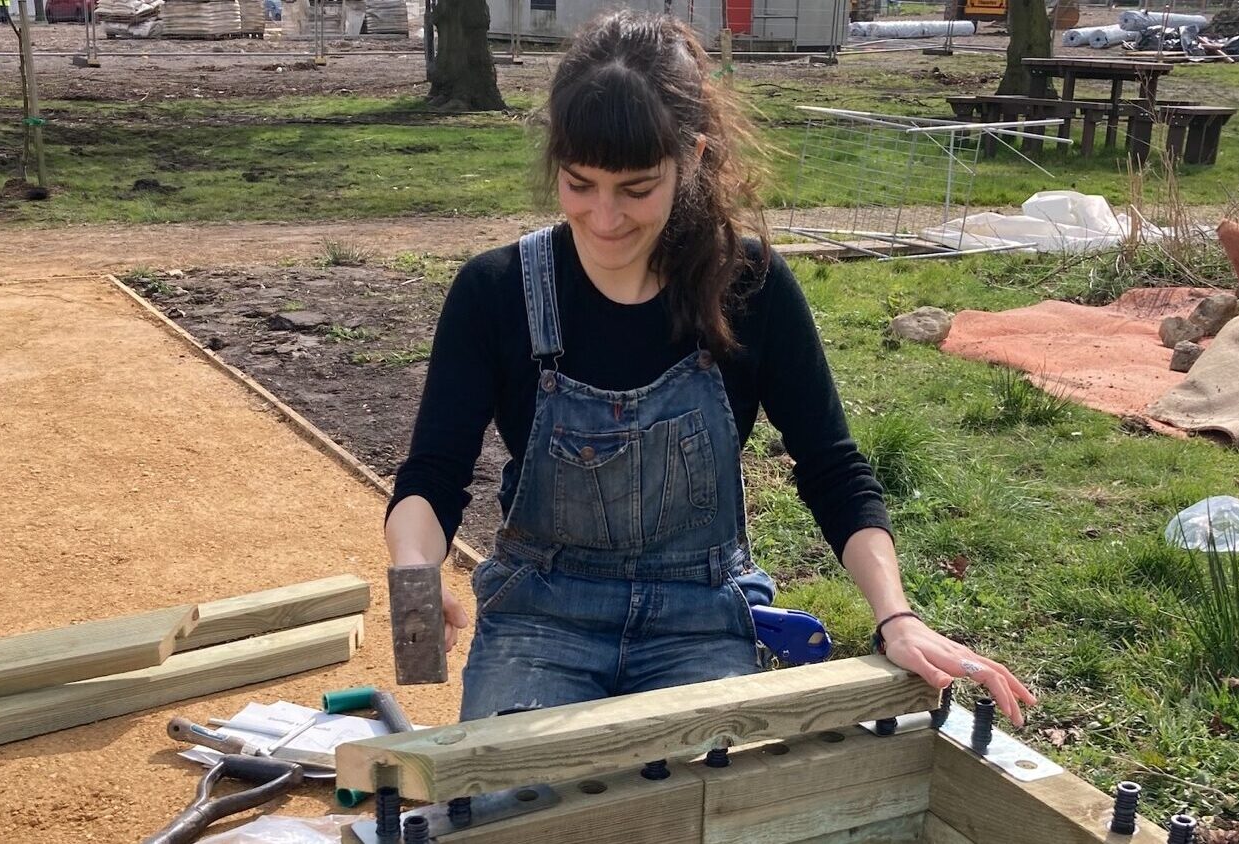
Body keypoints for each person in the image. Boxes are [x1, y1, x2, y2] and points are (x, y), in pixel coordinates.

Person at [385, 10, 1036, 725]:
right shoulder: (496, 290)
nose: (604, 218)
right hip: (542, 618)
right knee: (514, 806)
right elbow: (433, 474)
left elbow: (831, 467)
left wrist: (896, 618)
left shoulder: (748, 286)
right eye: (579, 184)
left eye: (636, 189)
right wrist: (415, 576)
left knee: (703, 800)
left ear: (691, 157)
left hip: (697, 620)